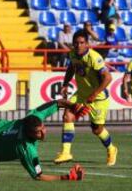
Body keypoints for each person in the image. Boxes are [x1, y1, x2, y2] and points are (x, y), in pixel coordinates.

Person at [54, 30, 118, 166]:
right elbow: (71, 67)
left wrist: (94, 94)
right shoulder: (72, 54)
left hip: (98, 98)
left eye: (82, 43)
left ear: (87, 44)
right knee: (67, 115)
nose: (78, 45)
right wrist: (65, 83)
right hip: (81, 94)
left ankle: (111, 148)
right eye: (76, 43)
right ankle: (66, 152)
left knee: (97, 129)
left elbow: (108, 77)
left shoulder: (94, 58)